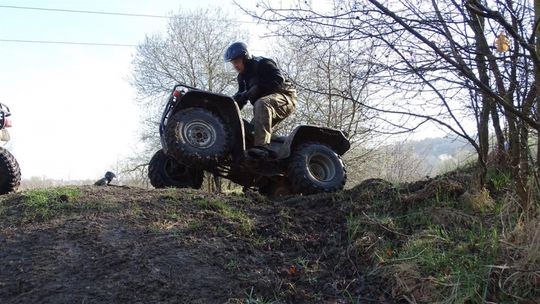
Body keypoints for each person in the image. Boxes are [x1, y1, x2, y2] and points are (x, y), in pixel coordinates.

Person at [224, 42, 297, 159]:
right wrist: (229, 107)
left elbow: (278, 78)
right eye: (233, 63)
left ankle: (262, 147)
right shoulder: (241, 78)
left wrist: (258, 88)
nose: (235, 66)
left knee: (262, 103)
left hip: (285, 97)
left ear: (245, 58)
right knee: (251, 132)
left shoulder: (262, 63)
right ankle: (275, 152)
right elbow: (241, 99)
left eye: (236, 62)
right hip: (265, 106)